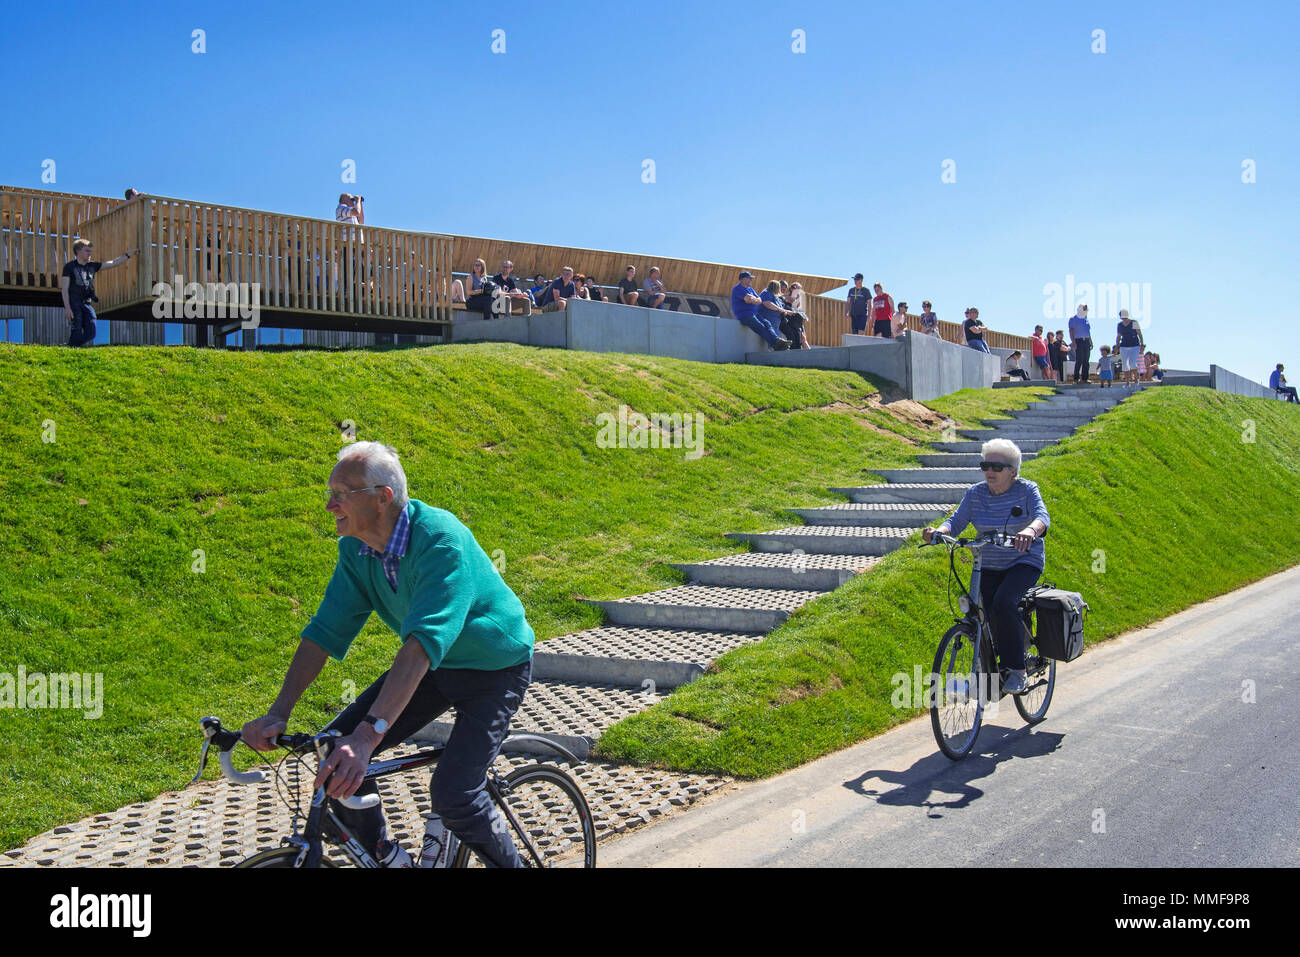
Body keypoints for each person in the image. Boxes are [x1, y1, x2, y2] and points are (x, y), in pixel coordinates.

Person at [241, 442, 535, 868]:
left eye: (342, 493)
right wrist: (278, 711)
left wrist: (366, 738)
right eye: (329, 492)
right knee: (332, 760)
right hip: (437, 668)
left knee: (455, 796)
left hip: (494, 668)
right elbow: (323, 633)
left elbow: (421, 644)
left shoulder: (440, 540)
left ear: (384, 497)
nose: (329, 505)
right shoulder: (357, 550)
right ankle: (387, 857)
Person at [922, 439, 1050, 695]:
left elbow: (1041, 517)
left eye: (997, 467)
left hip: (1023, 561)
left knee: (1003, 602)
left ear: (1013, 470)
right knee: (982, 613)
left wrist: (1029, 531)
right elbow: (956, 521)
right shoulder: (976, 493)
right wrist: (940, 531)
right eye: (985, 465)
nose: (989, 472)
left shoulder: (1026, 490)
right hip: (988, 562)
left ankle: (1017, 671)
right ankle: (988, 678)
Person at [61, 238, 136, 347]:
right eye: (87, 250)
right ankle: (71, 349)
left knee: (91, 332)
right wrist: (67, 308)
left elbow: (113, 263)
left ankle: (71, 346)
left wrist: (128, 255)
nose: (90, 253)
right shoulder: (69, 267)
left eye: (90, 251)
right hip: (74, 302)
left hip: (87, 303)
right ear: (78, 251)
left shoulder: (92, 266)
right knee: (76, 329)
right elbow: (64, 289)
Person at [731, 270, 790, 350]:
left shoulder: (750, 289)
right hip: (745, 315)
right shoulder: (737, 289)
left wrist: (753, 299)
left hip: (755, 313)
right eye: (749, 278)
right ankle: (776, 344)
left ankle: (777, 341)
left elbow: (759, 300)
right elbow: (747, 299)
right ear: (743, 279)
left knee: (767, 323)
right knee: (760, 326)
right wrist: (753, 299)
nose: (751, 280)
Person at [760, 280, 804, 349]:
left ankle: (782, 348)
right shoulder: (767, 293)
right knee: (786, 333)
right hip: (770, 319)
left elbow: (781, 307)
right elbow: (767, 303)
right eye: (780, 288)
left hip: (778, 320)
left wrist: (786, 311)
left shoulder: (776, 297)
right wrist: (783, 310)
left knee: (794, 333)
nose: (781, 291)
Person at [1114, 308, 1144, 386]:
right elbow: (1118, 336)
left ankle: (1136, 379)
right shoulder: (1120, 325)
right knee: (1124, 364)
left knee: (1132, 363)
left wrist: (1142, 345)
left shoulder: (1134, 322)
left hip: (1135, 345)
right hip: (1124, 346)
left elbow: (1139, 334)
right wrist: (1117, 346)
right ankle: (1127, 382)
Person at [1068, 304, 1093, 383]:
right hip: (1078, 341)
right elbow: (1071, 331)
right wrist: (1073, 342)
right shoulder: (1073, 319)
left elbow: (1088, 331)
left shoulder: (1086, 319)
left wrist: (1091, 341)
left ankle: (1085, 378)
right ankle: (1076, 378)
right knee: (1079, 359)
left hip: (1086, 341)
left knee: (1086, 360)